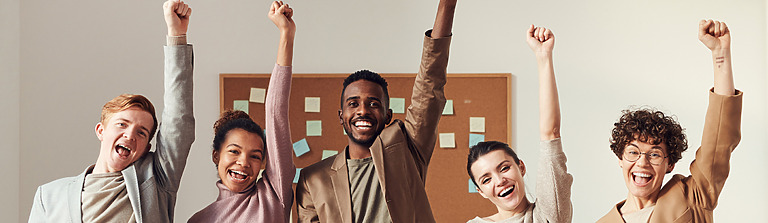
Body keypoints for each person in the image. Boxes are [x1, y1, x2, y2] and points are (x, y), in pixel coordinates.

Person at [28, 1, 195, 222]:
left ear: (146, 149)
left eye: (142, 132)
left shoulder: (156, 181)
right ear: (100, 130)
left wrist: (176, 35)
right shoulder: (49, 196)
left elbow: (178, 119)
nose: (130, 135)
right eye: (122, 124)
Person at [294, 0, 456, 222]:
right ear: (341, 117)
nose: (363, 111)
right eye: (353, 103)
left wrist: (446, 6)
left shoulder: (407, 149)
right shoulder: (312, 178)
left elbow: (430, 83)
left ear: (388, 116)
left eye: (373, 103)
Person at [597, 19, 741, 222]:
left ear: (670, 164)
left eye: (655, 154)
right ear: (620, 158)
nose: (642, 162)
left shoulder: (691, 197)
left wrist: (720, 55)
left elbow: (719, 139)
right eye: (633, 152)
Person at [186, 1, 296, 223]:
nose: (244, 162)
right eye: (234, 151)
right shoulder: (199, 220)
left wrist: (286, 34)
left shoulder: (273, 195)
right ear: (216, 155)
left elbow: (276, 111)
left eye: (255, 156)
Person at [465, 26, 572, 223]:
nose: (500, 181)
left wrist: (544, 57)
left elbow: (551, 133)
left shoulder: (547, 216)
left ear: (521, 167)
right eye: (486, 179)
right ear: (481, 191)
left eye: (504, 168)